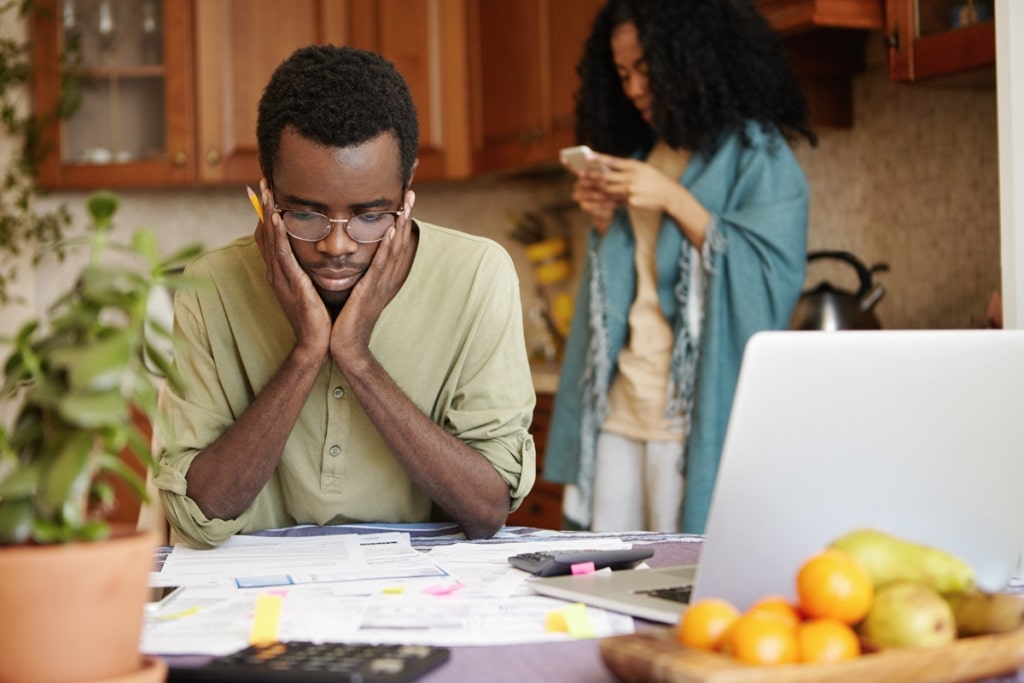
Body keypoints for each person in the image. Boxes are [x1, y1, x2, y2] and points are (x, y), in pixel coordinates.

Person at [153, 45, 536, 548]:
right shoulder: (210, 287)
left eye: (372, 216)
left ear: (407, 191)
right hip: (256, 599)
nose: (337, 245)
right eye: (306, 215)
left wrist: (355, 356)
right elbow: (200, 512)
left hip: (425, 596)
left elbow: (487, 510)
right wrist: (308, 350)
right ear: (266, 196)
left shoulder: (478, 275)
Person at [543, 0, 816, 534]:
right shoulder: (650, 152)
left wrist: (673, 199)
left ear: (691, 57)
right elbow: (632, 280)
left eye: (646, 68)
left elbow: (770, 278)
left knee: (681, 588)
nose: (634, 89)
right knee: (606, 585)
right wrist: (604, 224)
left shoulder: (756, 152)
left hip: (686, 422)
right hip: (621, 409)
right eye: (622, 74)